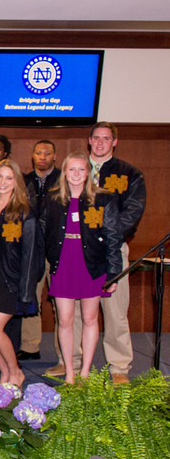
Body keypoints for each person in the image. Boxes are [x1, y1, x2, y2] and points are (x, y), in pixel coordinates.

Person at [42, 152, 122, 385]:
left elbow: (113, 237)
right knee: (65, 320)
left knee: (89, 318)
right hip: (64, 261)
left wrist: (114, 272)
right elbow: (44, 231)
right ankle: (69, 372)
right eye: (71, 169)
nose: (76, 174)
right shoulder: (53, 199)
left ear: (88, 173)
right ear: (64, 172)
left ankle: (85, 372)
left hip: (92, 263)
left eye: (81, 170)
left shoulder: (103, 199)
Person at [83, 122, 145, 384]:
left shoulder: (129, 173)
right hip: (78, 248)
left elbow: (133, 211)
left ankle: (119, 365)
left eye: (105, 139)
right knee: (74, 311)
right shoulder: (75, 168)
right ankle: (71, 361)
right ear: (89, 140)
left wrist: (108, 234)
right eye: (96, 138)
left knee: (115, 309)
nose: (100, 143)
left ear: (114, 142)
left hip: (112, 247)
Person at [0, 160, 42, 387]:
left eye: (9, 178)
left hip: (13, 281)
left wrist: (26, 291)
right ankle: (4, 371)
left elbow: (32, 256)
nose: (3, 182)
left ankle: (16, 372)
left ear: (17, 182)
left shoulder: (25, 213)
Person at [20, 139, 60, 362]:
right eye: (38, 153)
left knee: (61, 302)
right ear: (33, 156)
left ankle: (63, 350)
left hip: (58, 248)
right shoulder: (24, 181)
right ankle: (30, 346)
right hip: (32, 248)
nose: (42, 157)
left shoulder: (64, 180)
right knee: (31, 296)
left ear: (55, 156)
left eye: (48, 153)